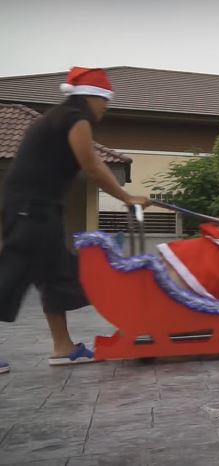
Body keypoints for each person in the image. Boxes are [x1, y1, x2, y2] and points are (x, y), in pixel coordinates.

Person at [0, 67, 150, 373]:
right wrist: (127, 197)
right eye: (105, 101)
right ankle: (63, 347)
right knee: (10, 277)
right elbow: (92, 165)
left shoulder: (53, 119)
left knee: (54, 277)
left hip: (37, 210)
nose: (106, 108)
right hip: (34, 211)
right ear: (92, 97)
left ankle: (64, 348)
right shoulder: (75, 119)